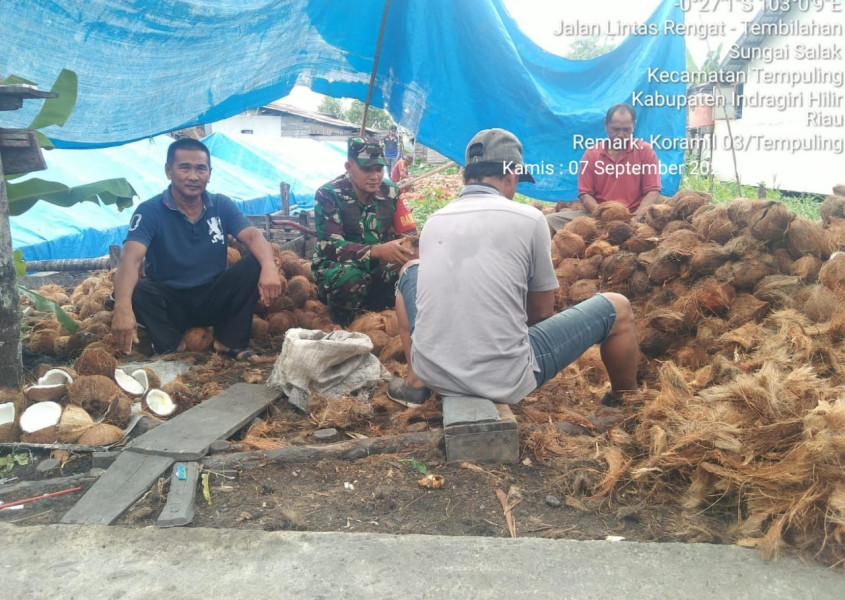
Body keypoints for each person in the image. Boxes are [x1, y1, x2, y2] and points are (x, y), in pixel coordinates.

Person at [387, 128, 639, 408]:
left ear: (465, 177)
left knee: (411, 268)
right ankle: (624, 401)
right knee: (618, 307)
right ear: (510, 176)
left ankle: (415, 383)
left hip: (434, 373)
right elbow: (541, 312)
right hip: (504, 380)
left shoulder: (435, 220)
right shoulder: (530, 219)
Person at [111, 138, 282, 359]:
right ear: (168, 171)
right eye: (185, 168)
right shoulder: (149, 211)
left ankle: (229, 341)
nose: (193, 176)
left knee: (254, 264)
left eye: (201, 168)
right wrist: (122, 306)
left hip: (213, 297)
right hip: (170, 302)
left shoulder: (220, 205)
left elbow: (253, 236)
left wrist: (269, 267)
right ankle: (173, 346)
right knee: (138, 289)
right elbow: (130, 258)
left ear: (209, 173)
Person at [312, 137, 417, 325]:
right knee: (349, 276)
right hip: (340, 265)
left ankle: (390, 318)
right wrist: (377, 251)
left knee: (414, 270)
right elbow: (331, 247)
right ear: (348, 166)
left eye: (379, 169)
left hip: (381, 266)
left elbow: (409, 235)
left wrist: (412, 251)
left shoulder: (391, 192)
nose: (374, 176)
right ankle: (344, 323)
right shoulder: (328, 194)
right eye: (367, 169)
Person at [546, 103, 662, 233]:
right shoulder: (591, 154)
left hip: (634, 215)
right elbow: (585, 194)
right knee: (548, 221)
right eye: (615, 129)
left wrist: (636, 218)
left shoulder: (645, 151)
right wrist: (602, 216)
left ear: (633, 126)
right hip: (597, 216)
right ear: (606, 125)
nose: (620, 135)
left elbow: (653, 191)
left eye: (626, 130)